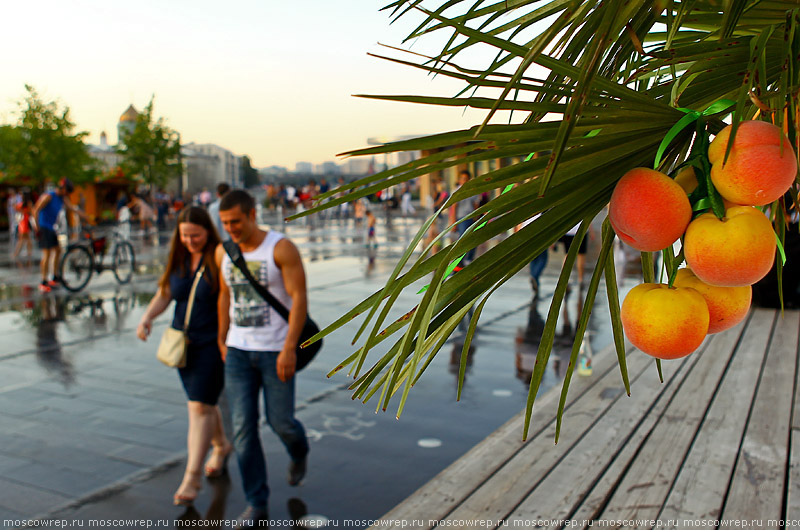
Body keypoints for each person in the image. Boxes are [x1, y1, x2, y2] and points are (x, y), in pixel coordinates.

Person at [216, 190, 310, 526]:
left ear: (253, 214)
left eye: (237, 222)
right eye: (226, 223)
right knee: (242, 429)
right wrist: (222, 338)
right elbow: (225, 296)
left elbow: (299, 298)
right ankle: (257, 502)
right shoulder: (223, 251)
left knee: (281, 422)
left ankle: (299, 451)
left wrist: (289, 347)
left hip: (275, 351)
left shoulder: (280, 248)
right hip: (238, 352)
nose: (231, 229)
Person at [136, 206, 232, 506]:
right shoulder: (178, 258)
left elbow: (231, 298)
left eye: (197, 235)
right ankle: (220, 445)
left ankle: (192, 478)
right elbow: (165, 292)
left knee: (198, 408)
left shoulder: (219, 256)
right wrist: (147, 317)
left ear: (208, 232)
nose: (191, 241)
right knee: (203, 403)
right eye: (185, 235)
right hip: (182, 342)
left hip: (212, 343)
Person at [32, 178, 88, 293]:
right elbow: (35, 209)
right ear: (62, 188)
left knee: (57, 250)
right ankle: (43, 282)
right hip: (43, 227)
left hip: (52, 228)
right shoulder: (49, 196)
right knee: (47, 254)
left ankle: (55, 277)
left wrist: (85, 216)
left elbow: (72, 208)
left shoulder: (62, 198)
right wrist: (37, 228)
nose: (67, 194)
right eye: (67, 192)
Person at [449, 170, 479, 265]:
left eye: (466, 179)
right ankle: (459, 262)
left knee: (473, 239)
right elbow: (453, 207)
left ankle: (469, 258)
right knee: (462, 240)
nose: (464, 181)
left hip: (471, 217)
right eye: (462, 179)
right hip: (461, 218)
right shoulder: (457, 192)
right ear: (459, 180)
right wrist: (453, 222)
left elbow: (475, 205)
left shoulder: (473, 191)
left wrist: (477, 218)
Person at [12, 190, 34, 260]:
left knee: (22, 238)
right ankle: (29, 252)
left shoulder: (28, 203)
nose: (20, 196)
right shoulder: (23, 203)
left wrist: (20, 209)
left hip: (25, 221)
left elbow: (29, 211)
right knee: (27, 238)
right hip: (22, 221)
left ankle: (17, 252)